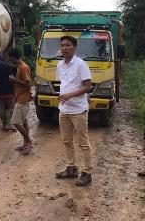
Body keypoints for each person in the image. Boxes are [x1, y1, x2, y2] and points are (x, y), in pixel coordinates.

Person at [55, 35, 93, 186]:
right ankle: (71, 168)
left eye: (68, 45)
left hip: (78, 110)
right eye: (62, 45)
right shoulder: (60, 65)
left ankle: (87, 173)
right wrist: (64, 96)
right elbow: (64, 84)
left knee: (83, 142)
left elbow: (87, 86)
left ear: (74, 47)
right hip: (64, 110)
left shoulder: (81, 64)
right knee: (67, 141)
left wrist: (70, 95)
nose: (64, 48)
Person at [8, 48, 33, 155]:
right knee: (24, 122)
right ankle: (25, 144)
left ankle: (28, 141)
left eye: (10, 58)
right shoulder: (20, 67)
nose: (10, 60)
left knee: (15, 122)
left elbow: (28, 84)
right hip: (20, 98)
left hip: (23, 99)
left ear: (13, 57)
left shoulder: (23, 67)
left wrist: (14, 80)